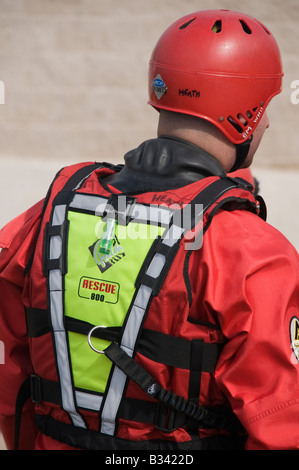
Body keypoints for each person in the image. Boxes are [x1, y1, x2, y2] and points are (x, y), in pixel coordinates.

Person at [0, 9, 298, 451]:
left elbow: (15, 383)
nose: (269, 124)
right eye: (266, 110)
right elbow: (281, 425)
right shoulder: (253, 252)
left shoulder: (47, 215)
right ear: (247, 115)